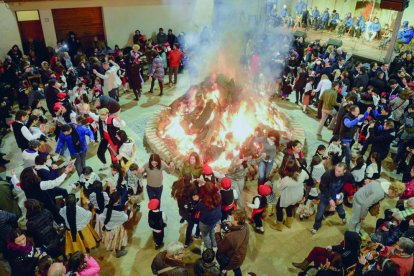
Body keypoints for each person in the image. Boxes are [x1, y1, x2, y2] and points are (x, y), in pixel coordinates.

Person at [312, 163, 351, 234]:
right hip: (326, 196)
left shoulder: (348, 175)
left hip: (338, 195)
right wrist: (330, 199)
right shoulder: (327, 174)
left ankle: (343, 217)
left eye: (339, 171)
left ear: (344, 171)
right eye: (336, 170)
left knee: (340, 209)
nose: (336, 172)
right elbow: (322, 187)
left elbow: (350, 185)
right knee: (320, 212)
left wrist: (342, 193)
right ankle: (316, 226)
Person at [292, 231, 361, 271]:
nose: (344, 240)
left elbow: (340, 264)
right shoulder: (351, 245)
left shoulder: (352, 254)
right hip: (335, 256)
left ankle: (317, 269)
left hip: (335, 263)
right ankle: (304, 264)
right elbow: (341, 247)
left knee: (317, 257)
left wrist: (329, 265)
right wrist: (332, 247)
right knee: (316, 249)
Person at [274, 156, 308, 231]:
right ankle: (288, 223)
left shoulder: (286, 179)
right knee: (290, 207)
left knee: (278, 209)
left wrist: (279, 180)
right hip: (296, 196)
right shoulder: (303, 173)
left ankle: (279, 226)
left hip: (287, 196)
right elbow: (307, 178)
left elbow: (279, 187)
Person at [215, 209, 249, 276]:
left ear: (237, 221)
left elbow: (221, 248)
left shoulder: (230, 237)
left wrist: (217, 232)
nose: (230, 218)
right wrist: (230, 226)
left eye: (232, 218)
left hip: (229, 259)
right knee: (236, 269)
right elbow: (236, 229)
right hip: (239, 258)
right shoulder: (245, 226)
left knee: (223, 269)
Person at [99, 192, 128, 257]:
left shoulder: (106, 207)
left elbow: (102, 217)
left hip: (108, 228)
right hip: (117, 228)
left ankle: (111, 248)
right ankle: (118, 251)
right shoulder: (120, 208)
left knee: (110, 239)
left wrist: (106, 223)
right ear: (118, 200)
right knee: (118, 239)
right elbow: (125, 218)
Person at [197, 182, 221, 249]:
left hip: (205, 223)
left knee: (205, 235)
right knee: (213, 232)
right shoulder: (219, 196)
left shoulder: (201, 203)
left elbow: (197, 210)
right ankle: (215, 245)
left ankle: (209, 249)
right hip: (217, 219)